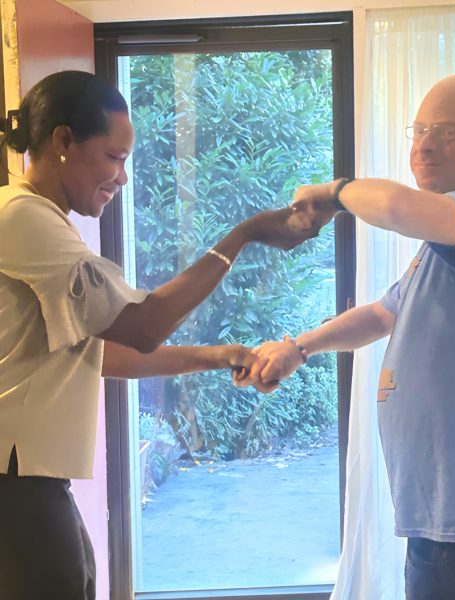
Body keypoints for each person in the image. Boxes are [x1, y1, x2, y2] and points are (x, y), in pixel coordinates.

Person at [0, 70, 336, 600]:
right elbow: (145, 325)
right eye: (114, 158)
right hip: (15, 483)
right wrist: (244, 234)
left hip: (31, 482)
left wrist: (217, 355)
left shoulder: (40, 220)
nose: (123, 178)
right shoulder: (23, 218)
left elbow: (102, 354)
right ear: (62, 140)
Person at [236, 74, 455, 599]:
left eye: (449, 132)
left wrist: (331, 193)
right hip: (440, 519)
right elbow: (382, 314)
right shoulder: (441, 247)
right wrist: (299, 348)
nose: (425, 145)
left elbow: (399, 208)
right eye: (420, 129)